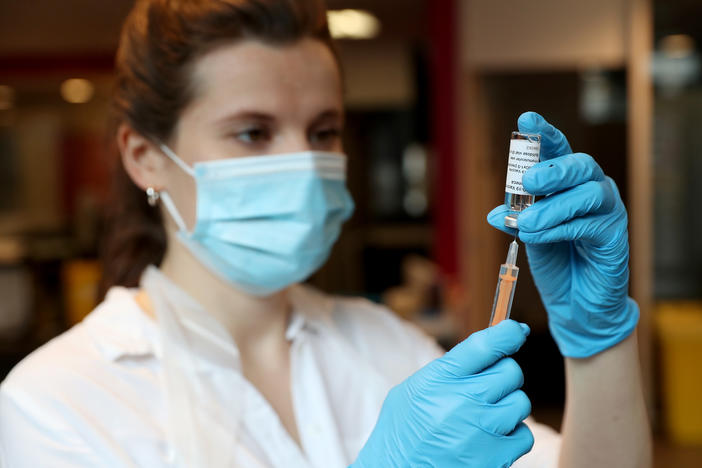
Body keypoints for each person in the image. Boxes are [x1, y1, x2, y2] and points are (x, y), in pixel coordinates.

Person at [0, 0, 652, 467]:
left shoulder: (383, 345)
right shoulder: (56, 404)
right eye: (253, 132)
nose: (305, 164)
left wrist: (598, 348)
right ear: (144, 156)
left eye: (323, 132)